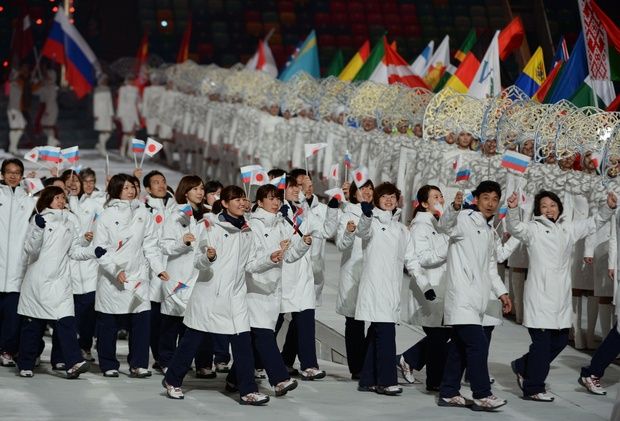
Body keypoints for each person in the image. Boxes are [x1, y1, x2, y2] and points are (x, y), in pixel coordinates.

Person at [162, 186, 270, 405]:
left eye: (243, 199)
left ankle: (248, 391)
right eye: (236, 199)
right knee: (191, 342)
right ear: (225, 203)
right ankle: (172, 380)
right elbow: (198, 261)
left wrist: (270, 260)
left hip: (236, 296)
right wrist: (209, 258)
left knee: (243, 343)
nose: (242, 203)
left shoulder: (248, 230)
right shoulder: (209, 226)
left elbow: (250, 264)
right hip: (209, 295)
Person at [507, 190, 616, 401]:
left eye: (553, 205)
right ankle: (533, 387)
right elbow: (515, 228)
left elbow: (592, 223)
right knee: (541, 346)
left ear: (559, 208)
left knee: (559, 342)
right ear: (538, 210)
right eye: (544, 206)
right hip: (540, 296)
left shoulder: (567, 229)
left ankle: (522, 365)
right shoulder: (533, 229)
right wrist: (512, 210)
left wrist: (608, 208)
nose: (549, 209)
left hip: (560, 299)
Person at [436, 180, 512, 411]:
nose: (490, 203)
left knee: (459, 349)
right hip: (461, 297)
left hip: (478, 300)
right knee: (478, 345)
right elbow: (445, 226)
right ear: (476, 199)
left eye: (495, 199)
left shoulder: (489, 231)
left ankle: (448, 392)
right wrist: (454, 208)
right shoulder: (464, 219)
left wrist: (502, 292)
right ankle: (482, 394)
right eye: (486, 198)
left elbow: (490, 268)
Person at [92, 174, 170, 378]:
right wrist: (115, 270)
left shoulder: (143, 213)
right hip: (111, 278)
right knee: (109, 323)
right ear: (116, 190)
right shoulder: (105, 216)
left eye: (132, 187)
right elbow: (100, 249)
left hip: (138, 276)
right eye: (125, 187)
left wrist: (158, 268)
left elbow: (150, 245)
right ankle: (108, 364)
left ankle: (138, 363)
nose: (130, 191)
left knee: (141, 321)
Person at [16, 186, 95, 378]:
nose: (61, 201)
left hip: (61, 281)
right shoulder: (39, 219)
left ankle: (73, 363)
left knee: (66, 321)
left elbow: (74, 251)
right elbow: (31, 250)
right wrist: (38, 229)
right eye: (57, 198)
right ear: (48, 200)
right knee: (34, 325)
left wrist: (92, 250)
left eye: (63, 197)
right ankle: (25, 364)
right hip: (39, 280)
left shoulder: (70, 220)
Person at [246, 184, 311, 396]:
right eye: (270, 198)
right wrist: (270, 258)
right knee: (264, 335)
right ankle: (280, 379)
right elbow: (250, 263)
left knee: (256, 338)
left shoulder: (281, 223)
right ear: (259, 202)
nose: (275, 203)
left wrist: (303, 244)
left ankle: (234, 379)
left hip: (274, 289)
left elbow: (289, 256)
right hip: (254, 289)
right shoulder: (252, 226)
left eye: (277, 199)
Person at [354, 182, 417, 396]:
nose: (389, 200)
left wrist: (423, 283)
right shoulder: (372, 222)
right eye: (384, 197)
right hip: (375, 287)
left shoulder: (401, 229)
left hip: (392, 289)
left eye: (392, 196)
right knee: (386, 333)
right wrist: (366, 216)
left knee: (376, 333)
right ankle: (386, 381)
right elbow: (362, 232)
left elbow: (410, 258)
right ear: (376, 200)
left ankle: (367, 379)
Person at [159, 175, 214, 376]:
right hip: (179, 275)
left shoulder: (209, 215)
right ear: (185, 191)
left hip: (201, 274)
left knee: (201, 320)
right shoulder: (175, 215)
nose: (200, 192)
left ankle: (203, 363)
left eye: (201, 188)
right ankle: (167, 360)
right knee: (172, 322)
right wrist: (182, 242)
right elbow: (164, 246)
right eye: (195, 189)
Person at [398, 185, 451, 391]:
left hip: (442, 286)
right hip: (428, 288)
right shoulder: (420, 226)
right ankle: (435, 382)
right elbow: (423, 259)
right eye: (435, 197)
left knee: (444, 334)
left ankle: (409, 359)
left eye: (441, 196)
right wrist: (448, 245)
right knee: (438, 336)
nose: (440, 200)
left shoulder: (439, 223)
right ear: (424, 203)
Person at [62, 170, 103, 361]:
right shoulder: (61, 205)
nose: (74, 184)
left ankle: (85, 346)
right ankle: (67, 350)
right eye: (69, 181)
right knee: (69, 313)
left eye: (76, 181)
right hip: (67, 265)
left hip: (88, 266)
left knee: (88, 311)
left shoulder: (93, 204)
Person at [335, 179, 374, 380]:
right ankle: (357, 367)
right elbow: (341, 244)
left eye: (370, 188)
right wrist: (349, 232)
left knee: (378, 320)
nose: (367, 191)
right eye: (362, 188)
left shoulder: (380, 213)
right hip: (353, 273)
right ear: (353, 193)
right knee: (354, 322)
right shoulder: (347, 214)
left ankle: (368, 361)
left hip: (374, 273)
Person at [0, 159, 36, 367]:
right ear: (2, 174)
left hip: (17, 270)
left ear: (22, 175)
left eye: (17, 172)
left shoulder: (29, 201)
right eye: (9, 172)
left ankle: (7, 351)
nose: (13, 176)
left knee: (13, 319)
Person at [142, 170, 177, 371]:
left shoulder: (177, 208)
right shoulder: (144, 209)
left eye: (163, 181)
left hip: (174, 268)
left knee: (172, 318)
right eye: (156, 182)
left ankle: (170, 356)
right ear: (148, 188)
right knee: (156, 320)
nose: (161, 185)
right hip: (152, 271)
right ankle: (161, 358)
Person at [93, 76, 115, 157]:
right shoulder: (97, 90)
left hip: (107, 113)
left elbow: (109, 102)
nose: (105, 81)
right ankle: (103, 149)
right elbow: (95, 102)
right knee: (102, 131)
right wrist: (96, 114)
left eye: (106, 80)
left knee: (109, 131)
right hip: (100, 112)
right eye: (104, 80)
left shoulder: (108, 89)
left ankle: (100, 145)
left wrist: (111, 113)